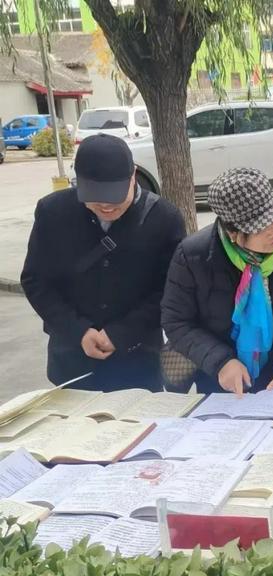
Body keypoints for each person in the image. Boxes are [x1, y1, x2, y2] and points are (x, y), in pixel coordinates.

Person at [21, 133, 185, 391]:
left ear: (133, 176)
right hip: (71, 363)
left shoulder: (164, 219)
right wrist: (79, 331)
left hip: (138, 361)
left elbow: (171, 291)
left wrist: (122, 332)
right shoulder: (52, 213)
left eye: (115, 196)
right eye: (95, 197)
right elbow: (36, 281)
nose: (106, 206)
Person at [161, 168, 273, 395]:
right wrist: (221, 361)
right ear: (233, 232)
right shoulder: (193, 256)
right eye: (261, 227)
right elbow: (177, 322)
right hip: (219, 380)